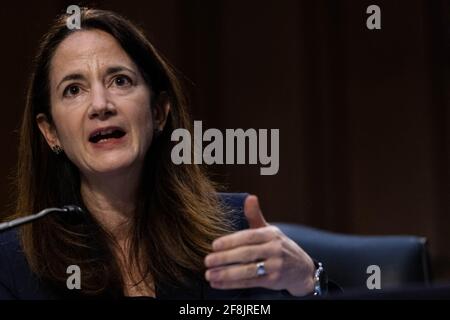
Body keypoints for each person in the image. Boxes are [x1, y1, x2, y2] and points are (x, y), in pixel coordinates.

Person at [0, 8, 326, 299]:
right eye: (73, 89)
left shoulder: (231, 228)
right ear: (50, 132)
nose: (101, 105)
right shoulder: (13, 263)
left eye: (120, 81)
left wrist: (306, 281)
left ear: (158, 111)